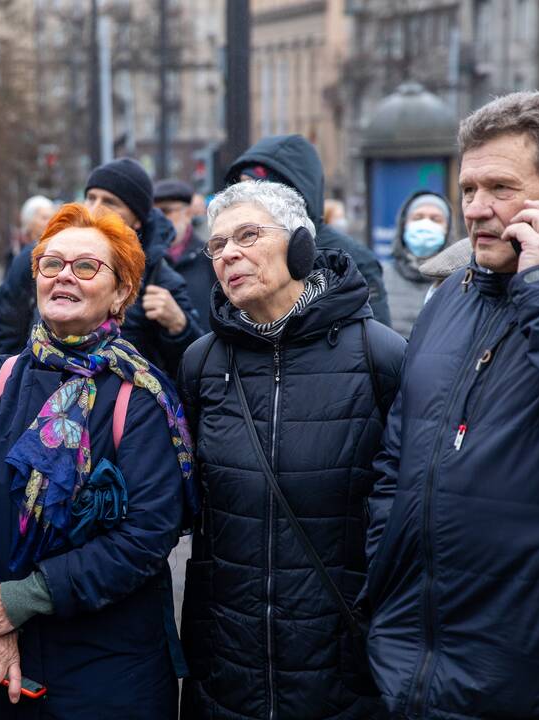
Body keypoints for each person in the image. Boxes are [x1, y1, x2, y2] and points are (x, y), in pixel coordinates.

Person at [366, 91, 539, 718]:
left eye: (500, 188)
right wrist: (387, 568)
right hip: (425, 671)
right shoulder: (454, 293)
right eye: (467, 189)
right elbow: (400, 454)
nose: (476, 210)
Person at [0, 203, 197, 718]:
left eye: (86, 266)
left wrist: (24, 599)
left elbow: (146, 533)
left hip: (109, 673)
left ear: (121, 292)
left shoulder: (139, 397)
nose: (64, 276)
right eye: (51, 264)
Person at [177, 180, 404, 719]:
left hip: (344, 663)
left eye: (248, 235)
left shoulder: (380, 355)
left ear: (300, 242)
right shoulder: (201, 364)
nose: (229, 253)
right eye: (217, 245)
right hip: (228, 664)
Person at [0, 158, 201, 376]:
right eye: (90, 198)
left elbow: (193, 368)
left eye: (110, 202)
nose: (95, 208)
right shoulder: (43, 256)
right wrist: (29, 370)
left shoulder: (161, 280)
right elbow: (3, 317)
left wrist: (179, 327)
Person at [225, 134, 392, 327]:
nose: (243, 197)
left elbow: (376, 335)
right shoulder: (231, 253)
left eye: (256, 188)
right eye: (240, 186)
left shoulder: (351, 258)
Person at [384, 192, 455, 336]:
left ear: (447, 229)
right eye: (418, 217)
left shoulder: (460, 281)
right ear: (404, 225)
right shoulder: (380, 276)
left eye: (435, 219)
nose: (426, 224)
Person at [154, 178, 216, 332]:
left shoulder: (210, 256)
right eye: (153, 212)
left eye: (165, 211)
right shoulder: (145, 260)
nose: (158, 218)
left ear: (188, 213)